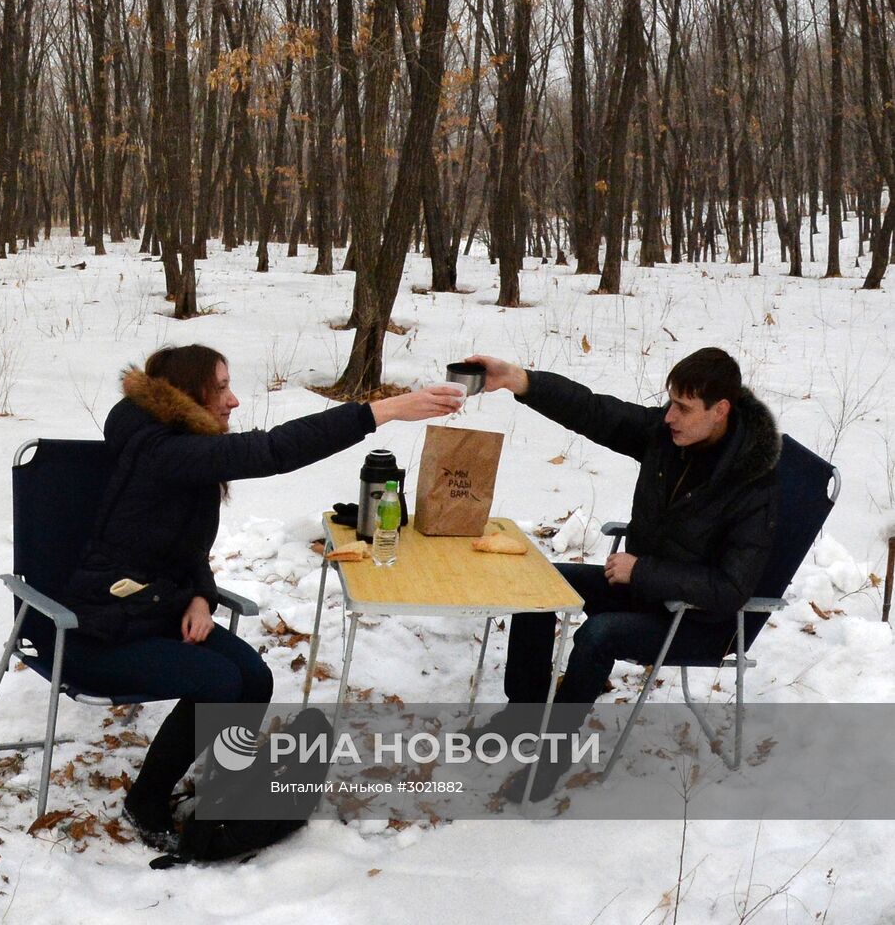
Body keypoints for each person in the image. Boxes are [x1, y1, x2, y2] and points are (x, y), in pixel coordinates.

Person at [58, 344, 466, 849]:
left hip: (157, 609)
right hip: (101, 628)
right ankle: (145, 800)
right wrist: (384, 410)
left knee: (254, 677)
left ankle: (224, 794)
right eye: (221, 387)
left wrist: (202, 597)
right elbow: (272, 450)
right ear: (187, 394)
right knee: (218, 683)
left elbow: (182, 548)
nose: (233, 401)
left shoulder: (180, 447)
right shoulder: (161, 451)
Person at [464, 347, 781, 802]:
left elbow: (731, 588)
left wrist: (644, 571)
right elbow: (594, 411)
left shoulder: (754, 485)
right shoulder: (668, 436)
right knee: (539, 583)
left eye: (683, 408)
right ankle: (525, 714)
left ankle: (551, 760)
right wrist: (520, 379)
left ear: (720, 411)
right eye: (669, 402)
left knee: (599, 634)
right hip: (644, 591)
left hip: (697, 622)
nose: (669, 416)